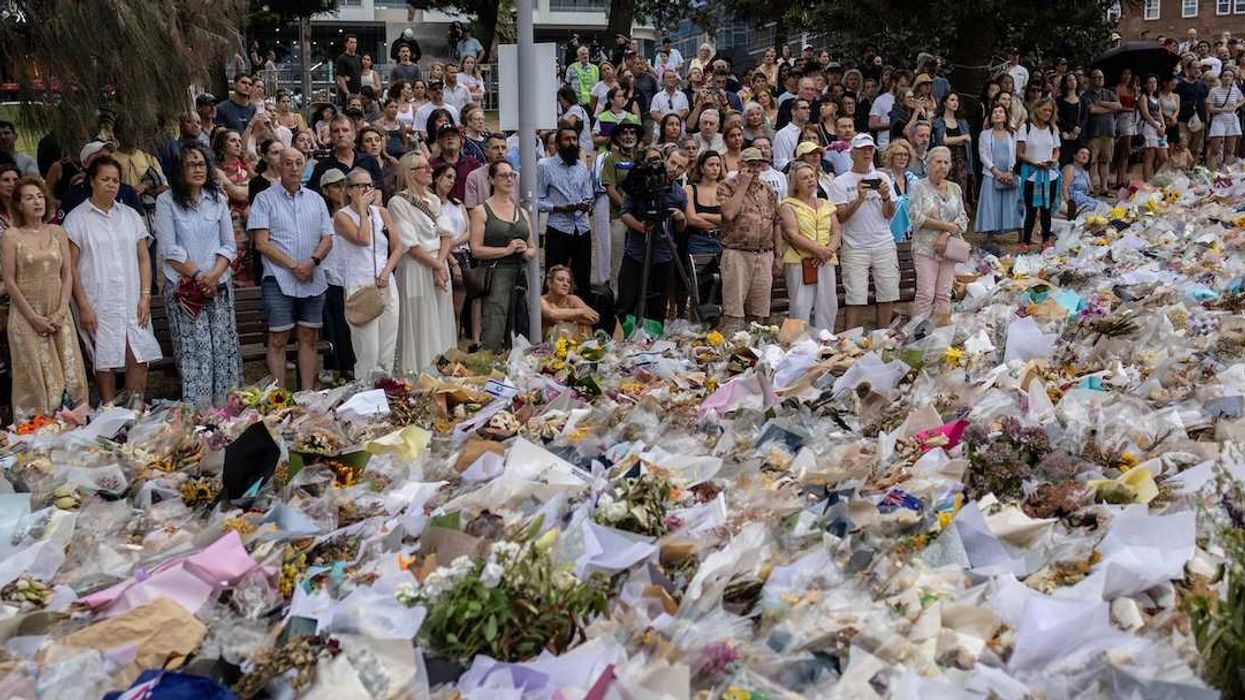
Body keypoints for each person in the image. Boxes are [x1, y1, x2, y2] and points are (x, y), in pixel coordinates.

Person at [64, 156, 163, 405]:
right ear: (92, 181)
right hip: (99, 300)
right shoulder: (77, 219)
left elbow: (143, 258)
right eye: (105, 179)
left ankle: (135, 410)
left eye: (116, 180)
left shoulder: (130, 215)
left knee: (139, 354)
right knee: (104, 358)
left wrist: (145, 296)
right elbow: (71, 267)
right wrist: (83, 306)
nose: (111, 184)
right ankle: (109, 411)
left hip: (132, 298)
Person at [153, 144, 242, 405]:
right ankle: (200, 416)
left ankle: (228, 413)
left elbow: (229, 245)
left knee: (223, 350)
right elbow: (170, 250)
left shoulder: (218, 199)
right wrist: (202, 279)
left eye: (202, 164)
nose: (197, 169)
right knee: (196, 354)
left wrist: (213, 276)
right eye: (191, 164)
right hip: (186, 291)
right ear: (180, 170)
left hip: (219, 285)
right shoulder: (166, 201)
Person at [248, 148, 333, 391]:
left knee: (309, 338)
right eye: (288, 163)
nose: (294, 168)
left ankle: (306, 394)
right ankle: (280, 398)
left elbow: (327, 238)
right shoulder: (264, 199)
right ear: (278, 166)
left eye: (298, 163)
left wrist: (312, 262)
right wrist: (295, 265)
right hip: (278, 278)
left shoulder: (316, 199)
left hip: (313, 277)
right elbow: (261, 243)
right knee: (278, 339)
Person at [3, 176, 88, 416]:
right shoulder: (12, 236)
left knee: (70, 375)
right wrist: (33, 318)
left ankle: (73, 425)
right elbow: (9, 280)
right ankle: (38, 433)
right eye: (29, 198)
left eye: (40, 196)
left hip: (58, 313)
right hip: (26, 315)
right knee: (35, 377)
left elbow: (67, 274)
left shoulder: (58, 232)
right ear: (19, 204)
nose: (37, 202)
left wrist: (61, 311)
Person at [332, 168, 402, 377]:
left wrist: (387, 271)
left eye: (368, 185)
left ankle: (387, 390)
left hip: (385, 281)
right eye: (360, 185)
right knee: (368, 349)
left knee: (387, 346)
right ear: (349, 190)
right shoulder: (342, 216)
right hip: (360, 285)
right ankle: (365, 394)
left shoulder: (382, 213)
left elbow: (397, 247)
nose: (365, 190)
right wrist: (362, 211)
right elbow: (363, 239)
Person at [831, 133, 899, 331]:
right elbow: (840, 217)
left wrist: (886, 197)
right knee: (855, 298)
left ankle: (882, 337)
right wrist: (859, 199)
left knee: (888, 293)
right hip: (854, 246)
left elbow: (889, 214)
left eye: (870, 149)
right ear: (852, 153)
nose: (867, 153)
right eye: (862, 149)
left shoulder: (882, 177)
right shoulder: (841, 182)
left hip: (883, 242)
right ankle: (850, 339)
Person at [615, 147, 689, 330]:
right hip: (637, 251)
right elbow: (624, 213)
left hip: (664, 253)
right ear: (665, 160)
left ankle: (654, 337)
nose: (674, 169)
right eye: (672, 163)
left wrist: (681, 218)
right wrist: (640, 227)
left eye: (680, 167)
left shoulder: (679, 193)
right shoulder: (639, 183)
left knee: (659, 304)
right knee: (626, 299)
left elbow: (679, 229)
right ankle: (622, 337)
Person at [468, 160, 535, 350]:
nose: (509, 179)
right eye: (503, 175)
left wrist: (526, 252)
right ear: (491, 179)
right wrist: (506, 250)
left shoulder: (521, 211)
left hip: (518, 275)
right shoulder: (481, 211)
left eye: (511, 175)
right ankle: (491, 370)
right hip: (495, 273)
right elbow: (476, 249)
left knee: (518, 324)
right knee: (494, 324)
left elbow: (532, 248)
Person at [717, 147, 780, 331]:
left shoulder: (767, 188)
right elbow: (728, 213)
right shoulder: (726, 186)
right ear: (740, 165)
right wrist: (743, 185)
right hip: (737, 252)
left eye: (758, 165)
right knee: (734, 311)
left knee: (759, 312)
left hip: (764, 253)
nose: (755, 169)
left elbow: (777, 221)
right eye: (751, 165)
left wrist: (778, 255)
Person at [908, 147, 967, 327]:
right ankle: (917, 333)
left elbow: (963, 218)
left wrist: (946, 233)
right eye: (937, 162)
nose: (942, 166)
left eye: (945, 162)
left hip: (949, 248)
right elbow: (916, 217)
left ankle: (942, 334)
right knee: (926, 293)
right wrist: (946, 226)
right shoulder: (918, 187)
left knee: (944, 293)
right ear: (928, 164)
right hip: (925, 248)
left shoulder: (955, 188)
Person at [779, 161, 840, 333]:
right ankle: (796, 346)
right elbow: (792, 234)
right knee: (800, 305)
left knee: (828, 304)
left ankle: (826, 342)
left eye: (812, 176)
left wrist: (829, 250)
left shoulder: (826, 204)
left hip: (826, 260)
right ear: (796, 183)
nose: (810, 180)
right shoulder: (788, 205)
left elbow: (836, 231)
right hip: (800, 260)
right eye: (804, 178)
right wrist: (818, 250)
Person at [537, 126, 594, 296]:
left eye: (574, 139)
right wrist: (557, 207)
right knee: (554, 276)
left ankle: (582, 317)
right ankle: (549, 318)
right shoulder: (544, 166)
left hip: (582, 228)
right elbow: (537, 199)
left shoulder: (581, 167)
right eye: (567, 139)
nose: (571, 143)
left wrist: (586, 204)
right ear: (558, 144)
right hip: (558, 228)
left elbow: (588, 195)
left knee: (582, 278)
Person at [432, 163, 475, 342]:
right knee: (443, 304)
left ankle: (454, 343)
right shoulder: (431, 203)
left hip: (461, 254)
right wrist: (448, 252)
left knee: (457, 307)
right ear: (437, 177)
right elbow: (435, 232)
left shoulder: (457, 204)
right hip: (441, 257)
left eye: (453, 179)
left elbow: (469, 231)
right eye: (448, 177)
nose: (451, 182)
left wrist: (452, 242)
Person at [1016, 97, 1062, 251]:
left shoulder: (1052, 128)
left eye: (1050, 110)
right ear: (1037, 109)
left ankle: (1046, 240)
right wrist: (1034, 162)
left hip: (1050, 174)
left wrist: (1053, 160)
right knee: (1031, 209)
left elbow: (1056, 149)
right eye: (1044, 109)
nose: (1047, 113)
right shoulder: (1026, 127)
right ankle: (1026, 241)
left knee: (1046, 209)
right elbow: (1020, 153)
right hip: (1031, 174)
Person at [601, 122, 642, 285]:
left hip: (641, 219)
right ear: (617, 138)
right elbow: (610, 189)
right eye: (624, 133)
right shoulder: (611, 159)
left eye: (632, 133)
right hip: (619, 217)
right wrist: (627, 209)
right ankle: (616, 299)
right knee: (618, 261)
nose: (628, 136)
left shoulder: (642, 157)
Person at [975, 104, 1023, 238]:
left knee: (1013, 203)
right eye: (995, 112)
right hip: (991, 174)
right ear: (990, 117)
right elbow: (982, 155)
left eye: (1001, 112)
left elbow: (1014, 154)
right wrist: (996, 172)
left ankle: (1021, 233)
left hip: (1008, 174)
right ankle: (990, 234)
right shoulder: (984, 134)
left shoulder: (1011, 134)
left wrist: (1010, 171)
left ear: (1006, 116)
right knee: (991, 204)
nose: (997, 114)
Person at [308, 116, 383, 194]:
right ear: (331, 136)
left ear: (353, 134)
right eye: (336, 131)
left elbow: (379, 191)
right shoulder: (321, 167)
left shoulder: (370, 161)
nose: (341, 134)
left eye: (345, 130)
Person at [1083, 69, 1122, 195]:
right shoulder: (1086, 95)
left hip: (1108, 132)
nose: (1099, 79)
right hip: (1093, 132)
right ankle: (1091, 187)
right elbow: (1093, 110)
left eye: (1101, 77)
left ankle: (1104, 188)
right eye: (1096, 77)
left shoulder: (1109, 93)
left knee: (1105, 161)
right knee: (1092, 161)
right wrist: (1110, 109)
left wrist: (1102, 104)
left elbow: (1119, 106)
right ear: (1091, 79)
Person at [932, 92, 973, 204]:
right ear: (945, 102)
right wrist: (962, 138)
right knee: (944, 190)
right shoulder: (938, 121)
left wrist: (957, 139)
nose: (955, 103)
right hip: (945, 158)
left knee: (960, 191)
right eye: (952, 100)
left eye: (957, 100)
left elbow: (968, 140)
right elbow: (944, 140)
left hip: (961, 160)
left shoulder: (962, 122)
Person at [541, 265, 599, 340]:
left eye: (568, 281)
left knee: (584, 325)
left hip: (573, 340)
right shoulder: (541, 300)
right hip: (548, 341)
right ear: (550, 282)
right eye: (560, 279)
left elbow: (595, 318)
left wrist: (566, 318)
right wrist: (579, 312)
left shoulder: (573, 299)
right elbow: (552, 314)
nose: (565, 284)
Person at [429, 125, 482, 202]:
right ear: (438, 142)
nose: (450, 138)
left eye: (453, 135)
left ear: (460, 141)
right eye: (445, 136)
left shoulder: (473, 163)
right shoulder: (432, 165)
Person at [880, 139, 917, 241]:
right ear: (891, 156)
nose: (903, 158)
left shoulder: (913, 179)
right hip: (887, 229)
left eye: (906, 155)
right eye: (899, 154)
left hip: (911, 231)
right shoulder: (884, 178)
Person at [1207, 67, 1244, 170]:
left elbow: (1242, 100)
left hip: (1231, 120)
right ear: (1221, 77)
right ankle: (1213, 171)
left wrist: (1236, 106)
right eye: (1225, 76)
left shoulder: (1236, 91)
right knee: (1215, 149)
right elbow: (1209, 107)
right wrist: (1222, 109)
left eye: (1230, 76)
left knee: (1230, 149)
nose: (1228, 78)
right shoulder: (1214, 91)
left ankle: (1227, 172)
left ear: (1233, 79)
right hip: (1219, 120)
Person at [1176, 60, 1209, 165]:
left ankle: (1192, 170)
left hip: (1199, 120)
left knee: (1197, 148)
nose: (1197, 70)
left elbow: (1206, 102)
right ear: (1188, 69)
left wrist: (1206, 119)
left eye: (1199, 68)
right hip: (1183, 120)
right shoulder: (1180, 85)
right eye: (1195, 68)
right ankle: (1181, 170)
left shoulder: (1203, 86)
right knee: (1183, 146)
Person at [1062, 146, 1108, 218]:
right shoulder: (1070, 168)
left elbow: (1090, 190)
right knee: (1100, 207)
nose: (1085, 156)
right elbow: (1064, 187)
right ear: (1074, 156)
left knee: (1104, 206)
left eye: (1087, 155)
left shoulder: (1085, 170)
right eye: (1082, 153)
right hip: (1074, 199)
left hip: (1084, 198)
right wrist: (1069, 204)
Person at [1138, 74, 1168, 181]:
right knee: (1150, 156)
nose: (1152, 85)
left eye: (1154, 82)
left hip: (1159, 127)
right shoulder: (1143, 97)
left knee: (1164, 157)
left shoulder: (1156, 98)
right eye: (1150, 82)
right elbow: (1146, 114)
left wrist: (1163, 126)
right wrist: (1157, 127)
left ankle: (1157, 178)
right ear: (1146, 84)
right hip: (1150, 127)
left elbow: (1159, 113)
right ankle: (1146, 181)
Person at [1112, 69, 1137, 190]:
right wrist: (1128, 109)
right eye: (1125, 74)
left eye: (1129, 74)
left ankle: (1121, 178)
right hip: (1123, 119)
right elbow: (1117, 106)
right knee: (1126, 149)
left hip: (1133, 120)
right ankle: (1119, 178)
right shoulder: (1118, 88)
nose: (1127, 76)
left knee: (1126, 152)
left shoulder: (1132, 89)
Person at [1056, 74, 1086, 167]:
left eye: (1074, 79)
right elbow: (1058, 117)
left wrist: (1079, 128)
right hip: (1065, 134)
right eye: (1069, 80)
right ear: (1065, 83)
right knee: (1064, 160)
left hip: (1078, 135)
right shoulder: (1059, 100)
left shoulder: (1082, 100)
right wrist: (1071, 128)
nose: (1072, 82)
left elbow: (1085, 117)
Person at [773, 98, 810, 172]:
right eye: (803, 108)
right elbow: (780, 163)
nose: (808, 111)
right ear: (793, 112)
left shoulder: (811, 131)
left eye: (808, 108)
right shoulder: (782, 134)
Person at [335, 34, 363, 104]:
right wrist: (347, 92)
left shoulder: (358, 58)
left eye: (355, 42)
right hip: (348, 92)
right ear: (346, 44)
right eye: (351, 42)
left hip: (358, 92)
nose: (353, 45)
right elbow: (340, 76)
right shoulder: (342, 58)